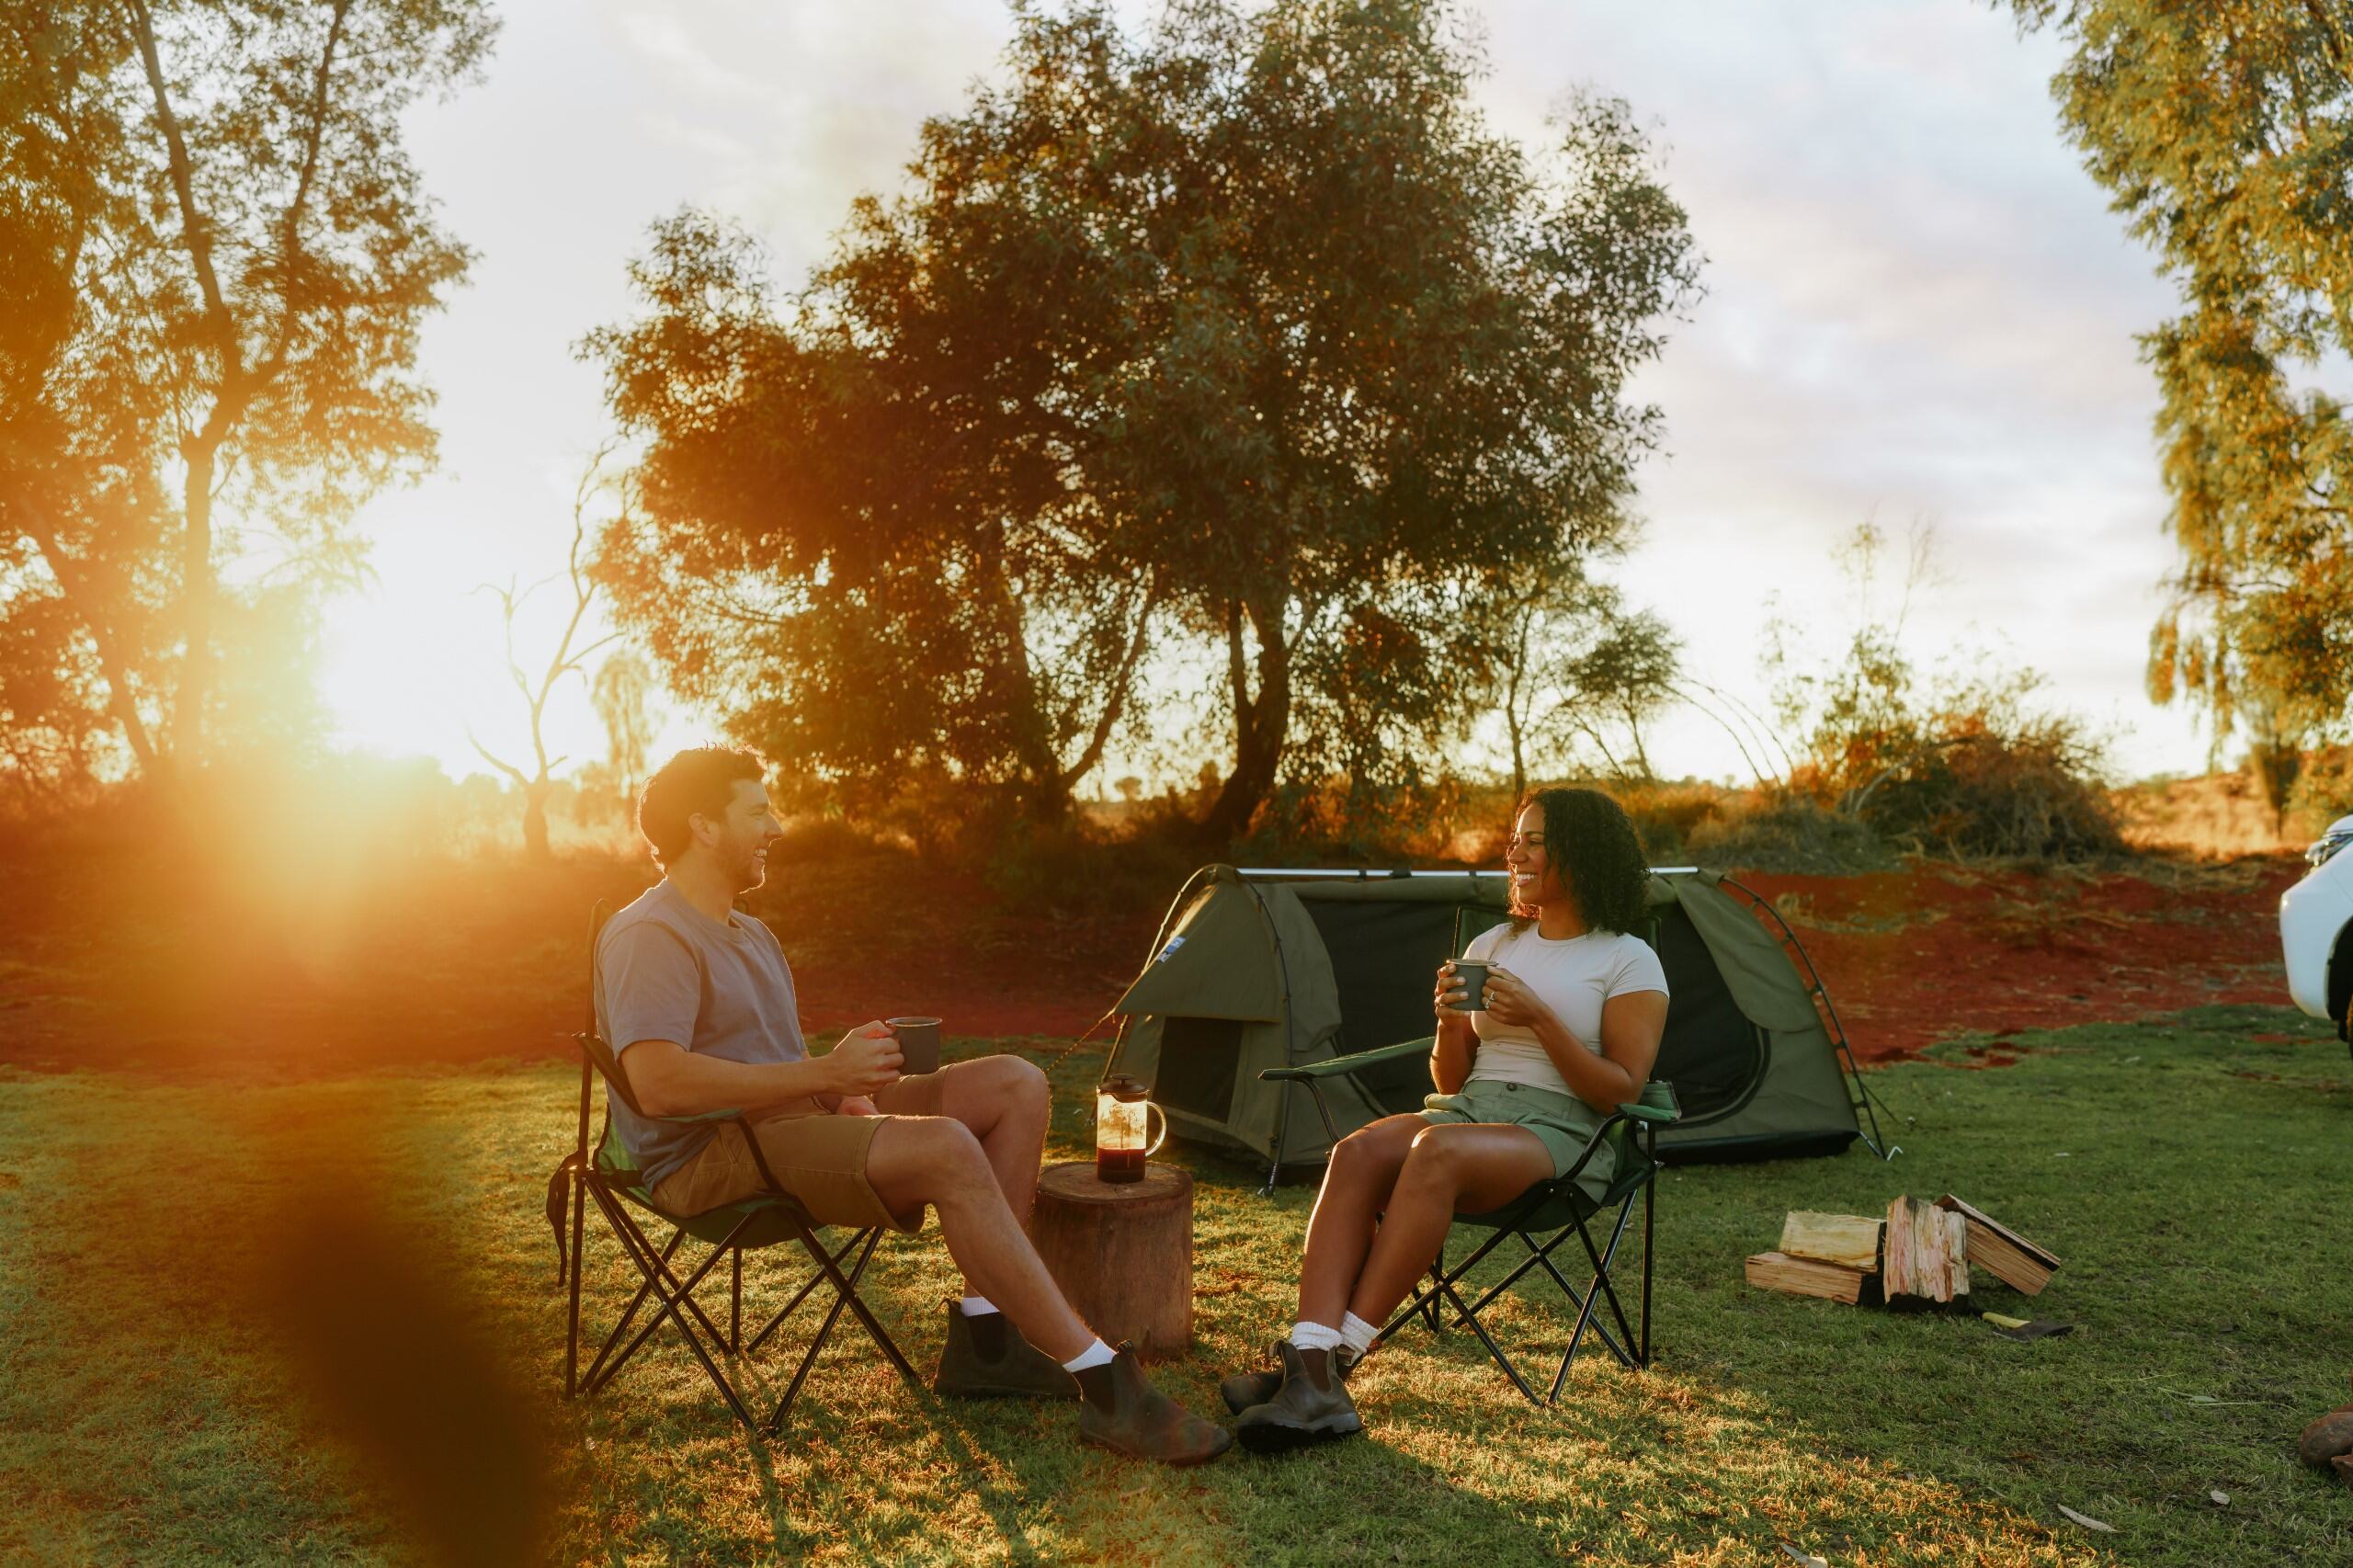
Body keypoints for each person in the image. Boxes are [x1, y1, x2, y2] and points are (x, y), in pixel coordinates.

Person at [595, 745, 1229, 1466]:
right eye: (758, 811)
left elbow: (772, 1061)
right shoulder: (652, 935)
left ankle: (985, 1341)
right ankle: (1106, 1386)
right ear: (704, 826)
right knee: (947, 1146)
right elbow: (659, 1085)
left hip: (790, 1122)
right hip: (709, 1155)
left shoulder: (751, 933)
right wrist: (825, 1074)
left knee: (1016, 1083)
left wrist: (846, 1084)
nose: (778, 826)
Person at [1223, 786, 1670, 1452]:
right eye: (1513, 838)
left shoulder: (1627, 957)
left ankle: (1328, 1369)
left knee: (1435, 1150)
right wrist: (1450, 1023)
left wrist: (1540, 1019)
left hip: (1564, 1135)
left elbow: (1619, 1091)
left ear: (1580, 852)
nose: (1513, 851)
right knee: (1356, 1152)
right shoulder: (1496, 941)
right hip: (1472, 1109)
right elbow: (1451, 1081)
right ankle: (1311, 1359)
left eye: (1532, 840)